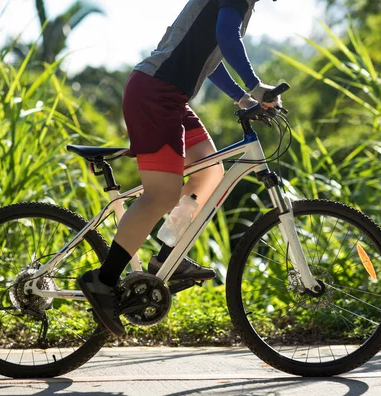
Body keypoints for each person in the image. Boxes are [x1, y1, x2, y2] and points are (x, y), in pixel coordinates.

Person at [78, 0, 282, 336]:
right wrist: (255, 85)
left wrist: (243, 98)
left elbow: (211, 58)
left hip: (169, 96)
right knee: (162, 195)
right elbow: (226, 36)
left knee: (209, 172)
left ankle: (164, 259)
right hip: (156, 92)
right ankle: (103, 280)